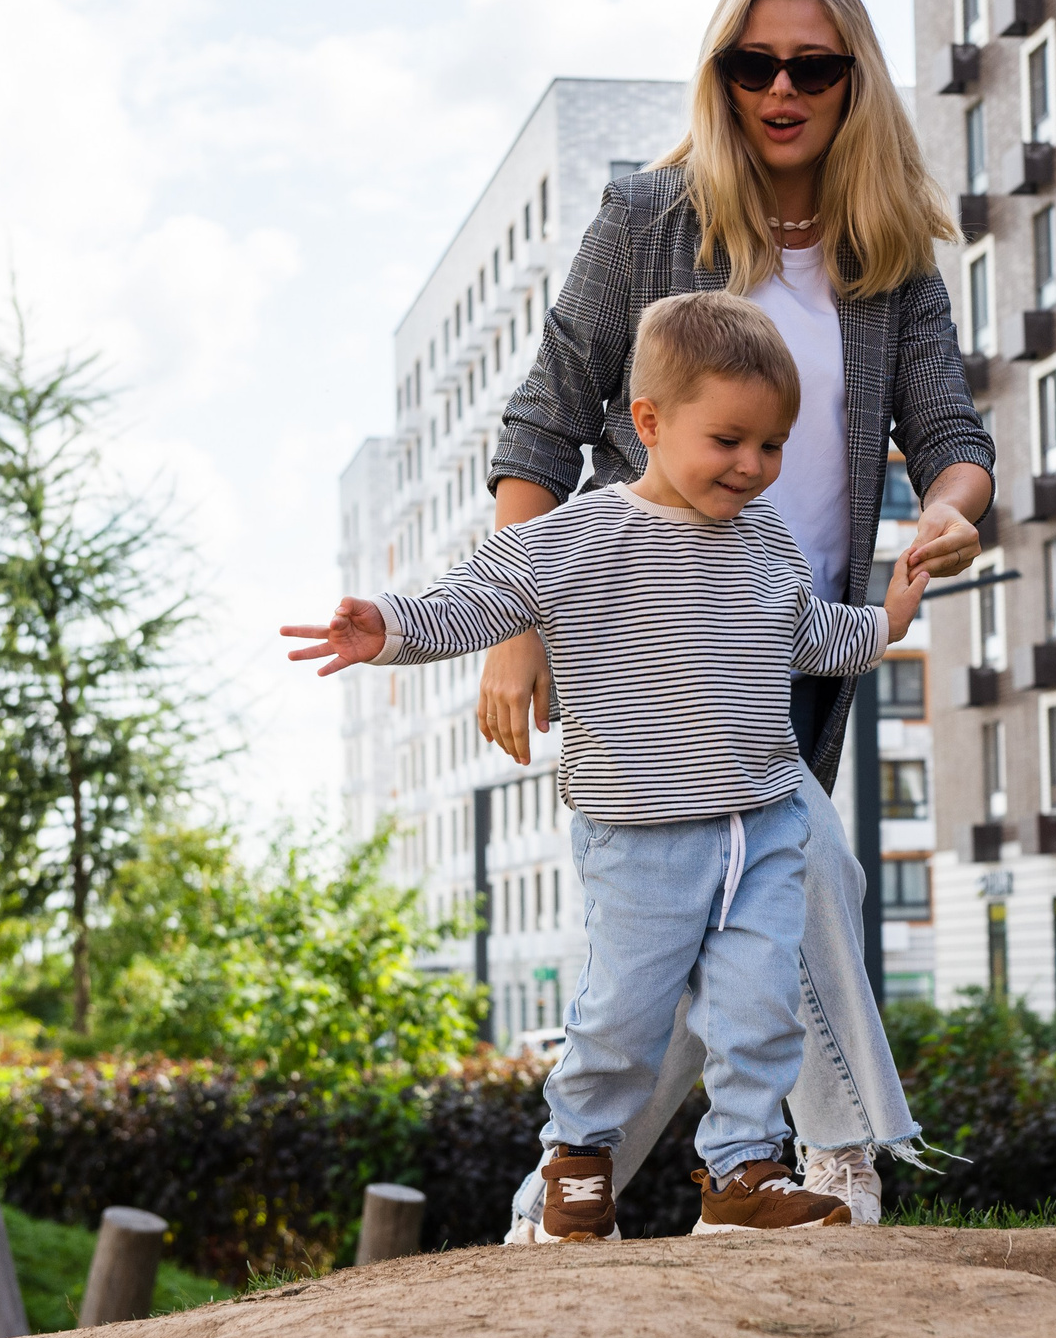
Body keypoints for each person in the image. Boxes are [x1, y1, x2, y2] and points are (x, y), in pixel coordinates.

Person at [484, 0, 993, 1234]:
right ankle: (837, 1158)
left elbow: (951, 427)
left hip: (795, 652)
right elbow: (542, 428)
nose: (780, 87)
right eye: (751, 63)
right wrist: (511, 631)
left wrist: (948, 511)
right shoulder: (648, 220)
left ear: (852, 83)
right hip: (646, 648)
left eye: (812, 66)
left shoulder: (887, 257)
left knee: (697, 956)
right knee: (809, 871)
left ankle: (550, 1214)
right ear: (719, 78)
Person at [284, 293, 929, 1238]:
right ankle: (576, 1164)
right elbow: (475, 603)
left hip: (761, 824)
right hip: (640, 837)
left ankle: (743, 1174)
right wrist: (388, 629)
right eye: (730, 440)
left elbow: (805, 634)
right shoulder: (578, 539)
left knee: (758, 1011)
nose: (753, 466)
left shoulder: (763, 541)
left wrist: (887, 621)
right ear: (651, 422)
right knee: (622, 1019)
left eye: (773, 446)